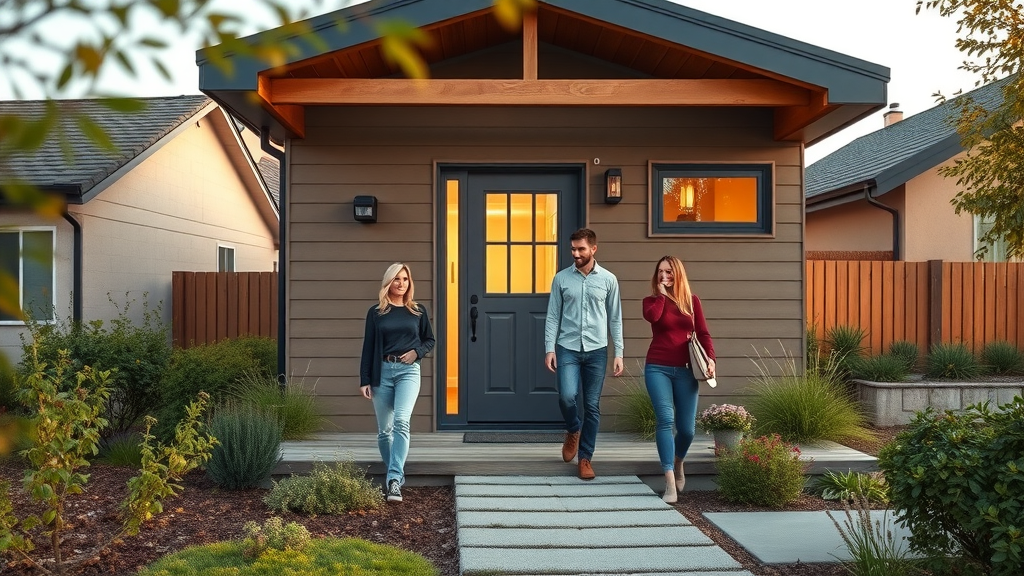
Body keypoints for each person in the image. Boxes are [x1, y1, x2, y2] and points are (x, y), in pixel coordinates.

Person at [544, 228, 624, 480]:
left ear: (593, 249)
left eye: (581, 249)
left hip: (597, 350)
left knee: (591, 405)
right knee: (567, 396)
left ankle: (585, 458)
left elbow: (615, 318)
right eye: (573, 249)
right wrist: (549, 348)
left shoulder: (609, 280)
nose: (576, 254)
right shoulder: (561, 279)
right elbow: (553, 316)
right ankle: (573, 430)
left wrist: (618, 352)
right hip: (567, 347)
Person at [642, 255, 715, 503]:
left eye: (669, 272)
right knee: (665, 420)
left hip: (686, 371)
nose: (664, 276)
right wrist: (662, 294)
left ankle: (678, 461)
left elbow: (703, 333)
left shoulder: (692, 302)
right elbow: (653, 318)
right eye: (661, 271)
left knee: (687, 430)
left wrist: (711, 359)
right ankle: (670, 482)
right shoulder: (651, 301)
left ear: (678, 274)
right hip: (657, 368)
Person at [359, 263, 435, 503]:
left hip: (408, 372)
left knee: (402, 421)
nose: (401, 284)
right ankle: (395, 475)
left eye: (405, 279)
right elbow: (368, 346)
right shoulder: (376, 312)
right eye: (396, 279)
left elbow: (429, 340)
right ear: (388, 283)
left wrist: (417, 353)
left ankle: (393, 479)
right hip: (382, 372)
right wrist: (365, 379)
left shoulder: (418, 311)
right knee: (384, 431)